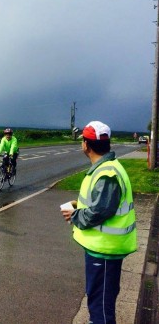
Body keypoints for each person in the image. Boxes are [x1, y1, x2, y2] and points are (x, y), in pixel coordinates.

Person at [61, 121, 137, 324]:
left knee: (100, 306)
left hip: (104, 251)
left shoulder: (107, 173)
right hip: (104, 250)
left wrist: (75, 215)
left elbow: (100, 211)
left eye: (82, 142)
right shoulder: (107, 168)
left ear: (86, 145)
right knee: (101, 300)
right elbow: (104, 203)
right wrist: (80, 204)